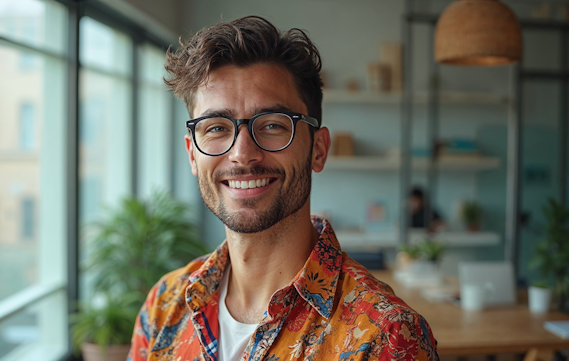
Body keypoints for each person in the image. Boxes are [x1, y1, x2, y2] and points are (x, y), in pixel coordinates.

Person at [128, 16, 439, 361]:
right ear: (192, 154)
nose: (242, 154)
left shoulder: (387, 336)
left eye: (273, 125)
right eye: (216, 128)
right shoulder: (164, 306)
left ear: (318, 149)